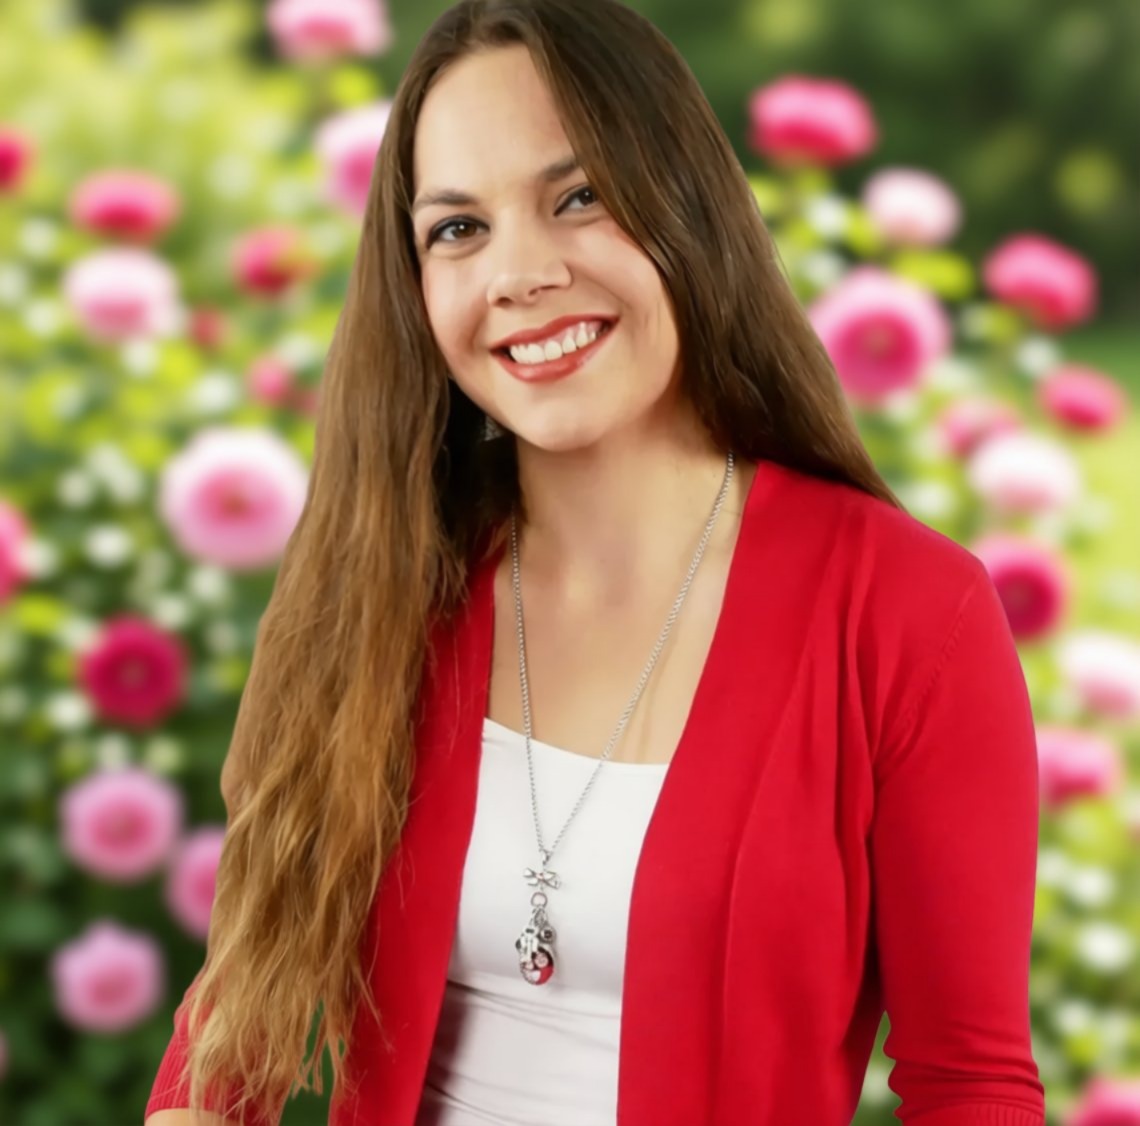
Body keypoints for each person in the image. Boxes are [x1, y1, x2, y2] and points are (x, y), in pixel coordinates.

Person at [144, 0, 1047, 1123]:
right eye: (458, 230)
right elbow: (236, 1024)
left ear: (685, 206)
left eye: (577, 198)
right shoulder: (383, 575)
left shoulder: (909, 612)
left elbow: (970, 1085)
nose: (519, 274)